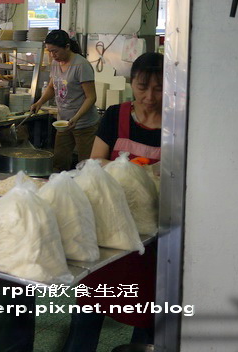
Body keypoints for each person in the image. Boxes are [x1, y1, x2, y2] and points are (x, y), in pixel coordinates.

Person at [62, 52, 163, 352]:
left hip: (150, 239)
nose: (149, 96)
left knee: (146, 312)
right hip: (107, 233)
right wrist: (134, 170)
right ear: (132, 83)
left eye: (158, 88)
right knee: (89, 307)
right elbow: (94, 164)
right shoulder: (116, 115)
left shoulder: (177, 123)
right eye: (143, 86)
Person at [29, 29, 99, 172]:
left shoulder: (81, 65)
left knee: (86, 166)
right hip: (63, 123)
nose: (52, 55)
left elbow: (91, 97)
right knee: (59, 162)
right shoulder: (56, 63)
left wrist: (76, 118)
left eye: (55, 51)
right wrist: (39, 102)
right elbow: (51, 87)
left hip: (84, 124)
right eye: (49, 51)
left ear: (67, 47)